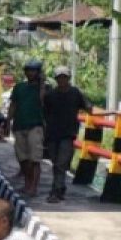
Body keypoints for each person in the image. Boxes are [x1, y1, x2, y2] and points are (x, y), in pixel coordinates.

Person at [43, 66, 92, 203]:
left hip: (68, 134)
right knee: (56, 163)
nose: (62, 80)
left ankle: (56, 191)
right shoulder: (50, 95)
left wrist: (108, 113)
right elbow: (44, 111)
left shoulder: (76, 93)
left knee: (61, 163)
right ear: (56, 79)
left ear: (68, 78)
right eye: (59, 77)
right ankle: (59, 187)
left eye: (64, 77)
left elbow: (88, 108)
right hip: (52, 134)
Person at [8, 59, 47, 196]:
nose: (31, 73)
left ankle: (33, 188)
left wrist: (42, 83)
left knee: (34, 159)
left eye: (34, 70)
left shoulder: (44, 88)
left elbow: (43, 101)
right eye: (29, 70)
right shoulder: (19, 87)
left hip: (35, 126)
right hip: (19, 125)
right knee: (23, 159)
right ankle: (27, 184)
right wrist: (8, 122)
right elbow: (13, 105)